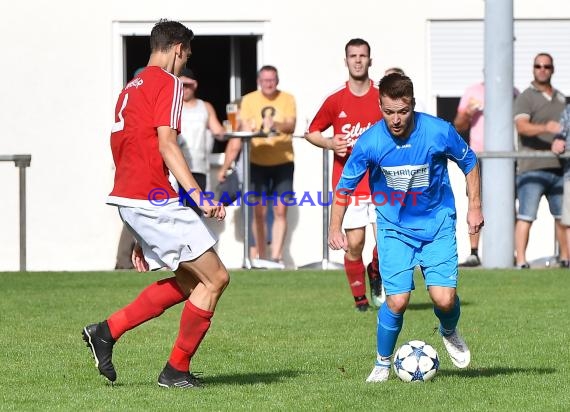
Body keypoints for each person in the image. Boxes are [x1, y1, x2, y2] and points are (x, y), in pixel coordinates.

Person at [81, 19, 230, 389]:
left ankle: (106, 331)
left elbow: (125, 149)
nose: (183, 64)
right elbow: (167, 145)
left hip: (135, 198)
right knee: (215, 278)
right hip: (149, 198)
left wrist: (137, 226)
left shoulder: (128, 90)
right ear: (178, 48)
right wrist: (199, 196)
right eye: (186, 56)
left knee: (188, 279)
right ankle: (175, 370)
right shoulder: (168, 82)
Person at [329, 73, 482, 382]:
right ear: (380, 106)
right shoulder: (371, 141)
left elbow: (469, 162)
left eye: (403, 111)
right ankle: (383, 362)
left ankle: (449, 330)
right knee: (397, 301)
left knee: (445, 299)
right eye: (388, 112)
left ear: (412, 105)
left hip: (437, 223)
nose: (396, 119)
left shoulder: (438, 131)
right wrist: (335, 227)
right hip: (393, 228)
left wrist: (475, 206)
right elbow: (344, 188)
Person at [305, 38, 383, 311]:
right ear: (346, 60)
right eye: (353, 56)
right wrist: (329, 143)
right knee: (355, 244)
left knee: (384, 243)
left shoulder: (381, 97)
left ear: (370, 60)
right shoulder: (336, 99)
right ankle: (360, 298)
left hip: (380, 184)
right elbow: (311, 132)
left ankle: (376, 270)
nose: (358, 60)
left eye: (363, 55)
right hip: (348, 186)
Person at [229, 65, 296, 267]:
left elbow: (291, 125)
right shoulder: (249, 100)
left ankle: (276, 257)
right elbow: (241, 126)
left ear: (277, 80)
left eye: (272, 80)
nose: (269, 84)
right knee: (258, 212)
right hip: (256, 162)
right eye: (265, 80)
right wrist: (249, 127)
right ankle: (261, 256)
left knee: (280, 211)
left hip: (283, 161)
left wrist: (275, 125)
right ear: (259, 81)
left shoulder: (287, 98)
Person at [453, 80, 519, 267]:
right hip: (479, 156)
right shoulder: (472, 91)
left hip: (506, 156)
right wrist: (469, 113)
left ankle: (510, 252)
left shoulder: (513, 91)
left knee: (508, 204)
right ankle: (474, 253)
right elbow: (459, 125)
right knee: (475, 201)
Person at [514, 53, 567, 268]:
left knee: (564, 217)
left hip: (558, 168)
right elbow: (522, 126)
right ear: (533, 69)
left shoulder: (562, 98)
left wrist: (561, 143)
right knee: (526, 215)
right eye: (538, 65)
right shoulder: (526, 97)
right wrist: (547, 128)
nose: (542, 69)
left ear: (553, 69)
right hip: (532, 168)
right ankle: (521, 261)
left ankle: (566, 259)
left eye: (546, 66)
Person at [171, 68, 226, 214]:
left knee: (195, 214)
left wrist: (236, 125)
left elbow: (219, 133)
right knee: (174, 213)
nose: (184, 89)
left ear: (194, 85)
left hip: (199, 168)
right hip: (175, 167)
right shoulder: (171, 106)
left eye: (187, 85)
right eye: (181, 85)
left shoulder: (205, 107)